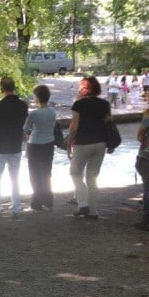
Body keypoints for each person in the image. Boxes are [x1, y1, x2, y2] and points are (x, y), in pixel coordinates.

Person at [67, 76, 111, 220]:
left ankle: (83, 204)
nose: (79, 89)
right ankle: (93, 212)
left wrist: (68, 144)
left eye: (81, 86)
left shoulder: (78, 105)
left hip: (83, 142)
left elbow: (74, 127)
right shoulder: (104, 104)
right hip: (100, 143)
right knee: (92, 177)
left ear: (85, 89)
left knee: (75, 173)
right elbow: (108, 124)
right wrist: (110, 143)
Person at [0, 76, 29, 218]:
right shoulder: (23, 106)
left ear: (1, 89)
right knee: (15, 178)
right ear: (14, 88)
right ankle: (16, 208)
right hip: (15, 145)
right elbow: (24, 123)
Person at [23, 84, 56, 211]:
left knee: (34, 174)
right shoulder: (52, 111)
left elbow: (25, 129)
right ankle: (48, 201)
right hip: (49, 144)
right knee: (46, 173)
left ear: (37, 97)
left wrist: (28, 134)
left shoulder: (34, 114)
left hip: (35, 145)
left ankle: (36, 202)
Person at [135, 107, 149, 230]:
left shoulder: (148, 115)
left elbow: (139, 136)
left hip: (147, 157)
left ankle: (146, 221)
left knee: (148, 190)